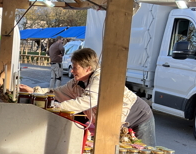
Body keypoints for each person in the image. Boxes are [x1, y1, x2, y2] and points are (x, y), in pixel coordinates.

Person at [20, 47, 157, 146]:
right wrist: (34, 90)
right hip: (115, 121)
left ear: (88, 68)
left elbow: (86, 101)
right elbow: (57, 92)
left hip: (138, 116)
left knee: (145, 153)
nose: (71, 71)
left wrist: (56, 107)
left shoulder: (100, 78)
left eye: (75, 67)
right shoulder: (77, 82)